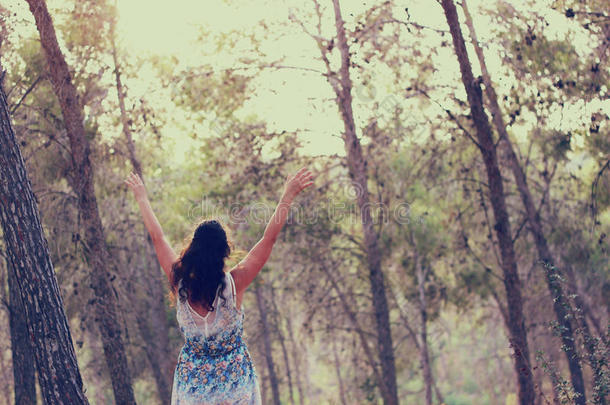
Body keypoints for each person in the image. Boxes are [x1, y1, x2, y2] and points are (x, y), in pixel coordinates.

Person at [125, 168, 314, 405]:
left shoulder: (180, 282)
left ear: (192, 249)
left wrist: (141, 198)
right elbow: (268, 239)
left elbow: (158, 238)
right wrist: (287, 195)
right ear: (224, 252)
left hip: (194, 391)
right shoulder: (235, 283)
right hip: (235, 389)